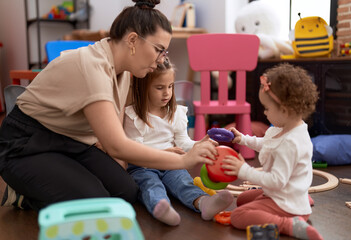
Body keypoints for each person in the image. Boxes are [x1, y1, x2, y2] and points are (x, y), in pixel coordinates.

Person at [0, 0, 217, 211]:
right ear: (132, 40)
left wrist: (120, 171)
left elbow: (116, 134)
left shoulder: (124, 72)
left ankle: (57, 181)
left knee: (127, 191)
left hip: (72, 141)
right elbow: (116, 145)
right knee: (98, 202)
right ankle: (22, 194)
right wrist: (184, 160)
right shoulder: (92, 66)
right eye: (159, 49)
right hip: (26, 144)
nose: (161, 60)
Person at [124, 59, 233, 226]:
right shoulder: (133, 116)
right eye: (159, 88)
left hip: (171, 164)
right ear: (143, 87)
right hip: (143, 166)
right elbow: (135, 150)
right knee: (150, 185)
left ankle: (204, 203)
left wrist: (197, 146)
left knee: (183, 182)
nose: (167, 93)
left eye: (170, 86)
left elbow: (182, 143)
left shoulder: (175, 112)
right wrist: (163, 154)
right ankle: (162, 208)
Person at [222, 63, 323, 240]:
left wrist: (243, 170)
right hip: (286, 195)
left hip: (284, 201)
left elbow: (276, 181)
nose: (264, 112)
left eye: (267, 108)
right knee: (243, 199)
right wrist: (243, 139)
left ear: (284, 110)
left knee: (238, 216)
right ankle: (302, 200)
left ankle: (289, 224)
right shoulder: (284, 128)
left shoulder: (291, 143)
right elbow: (268, 144)